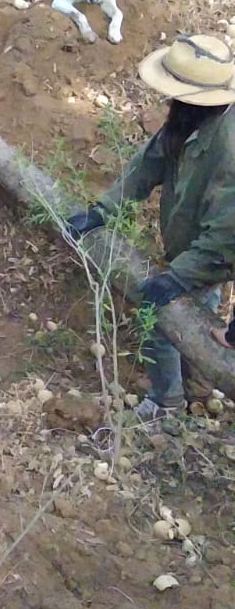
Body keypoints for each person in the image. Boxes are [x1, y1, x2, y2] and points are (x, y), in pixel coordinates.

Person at [65, 33, 235, 421]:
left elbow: (226, 238)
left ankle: (165, 404)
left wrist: (177, 278)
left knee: (157, 314)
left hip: (213, 251)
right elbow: (149, 163)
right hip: (198, 248)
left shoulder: (229, 148)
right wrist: (101, 210)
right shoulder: (190, 121)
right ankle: (197, 383)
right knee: (199, 309)